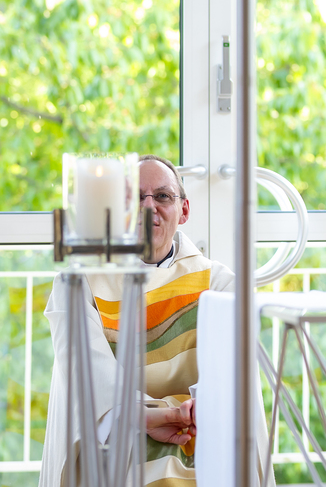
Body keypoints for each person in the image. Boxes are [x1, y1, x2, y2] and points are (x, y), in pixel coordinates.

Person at [40, 155, 273, 486]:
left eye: (162, 196)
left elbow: (230, 375)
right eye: (135, 197)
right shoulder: (77, 283)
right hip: (118, 441)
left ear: (184, 210)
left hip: (201, 433)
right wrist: (146, 417)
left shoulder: (220, 284)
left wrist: (192, 412)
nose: (148, 207)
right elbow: (87, 372)